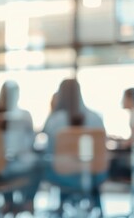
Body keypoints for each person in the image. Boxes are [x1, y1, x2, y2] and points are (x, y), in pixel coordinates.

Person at [42, 78, 107, 210]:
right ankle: (97, 208)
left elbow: (49, 152)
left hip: (62, 175)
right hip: (93, 174)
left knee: (51, 165)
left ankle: (61, 207)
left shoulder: (54, 120)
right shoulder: (96, 118)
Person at [0, 80, 39, 213]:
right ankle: (12, 202)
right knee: (30, 165)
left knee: (36, 164)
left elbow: (30, 141)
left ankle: (23, 203)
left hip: (16, 162)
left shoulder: (24, 116)